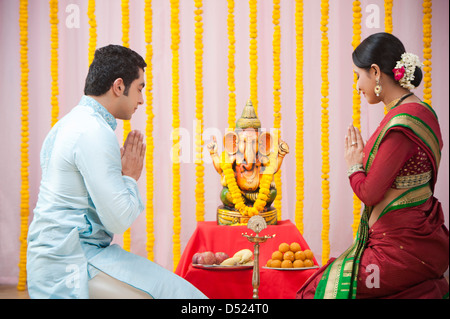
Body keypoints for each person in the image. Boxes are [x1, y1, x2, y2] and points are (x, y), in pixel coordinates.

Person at [27, 45, 207, 299]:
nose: (142, 100)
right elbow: (118, 220)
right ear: (119, 86)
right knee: (185, 298)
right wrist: (130, 177)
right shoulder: (94, 131)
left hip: (56, 259)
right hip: (72, 261)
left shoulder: (69, 123)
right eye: (140, 88)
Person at [297, 32, 448, 299]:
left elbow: (369, 193)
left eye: (359, 75)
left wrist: (354, 165)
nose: (357, 85)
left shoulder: (402, 123)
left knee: (317, 292)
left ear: (376, 72)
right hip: (419, 241)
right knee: (326, 275)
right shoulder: (422, 112)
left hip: (400, 251)